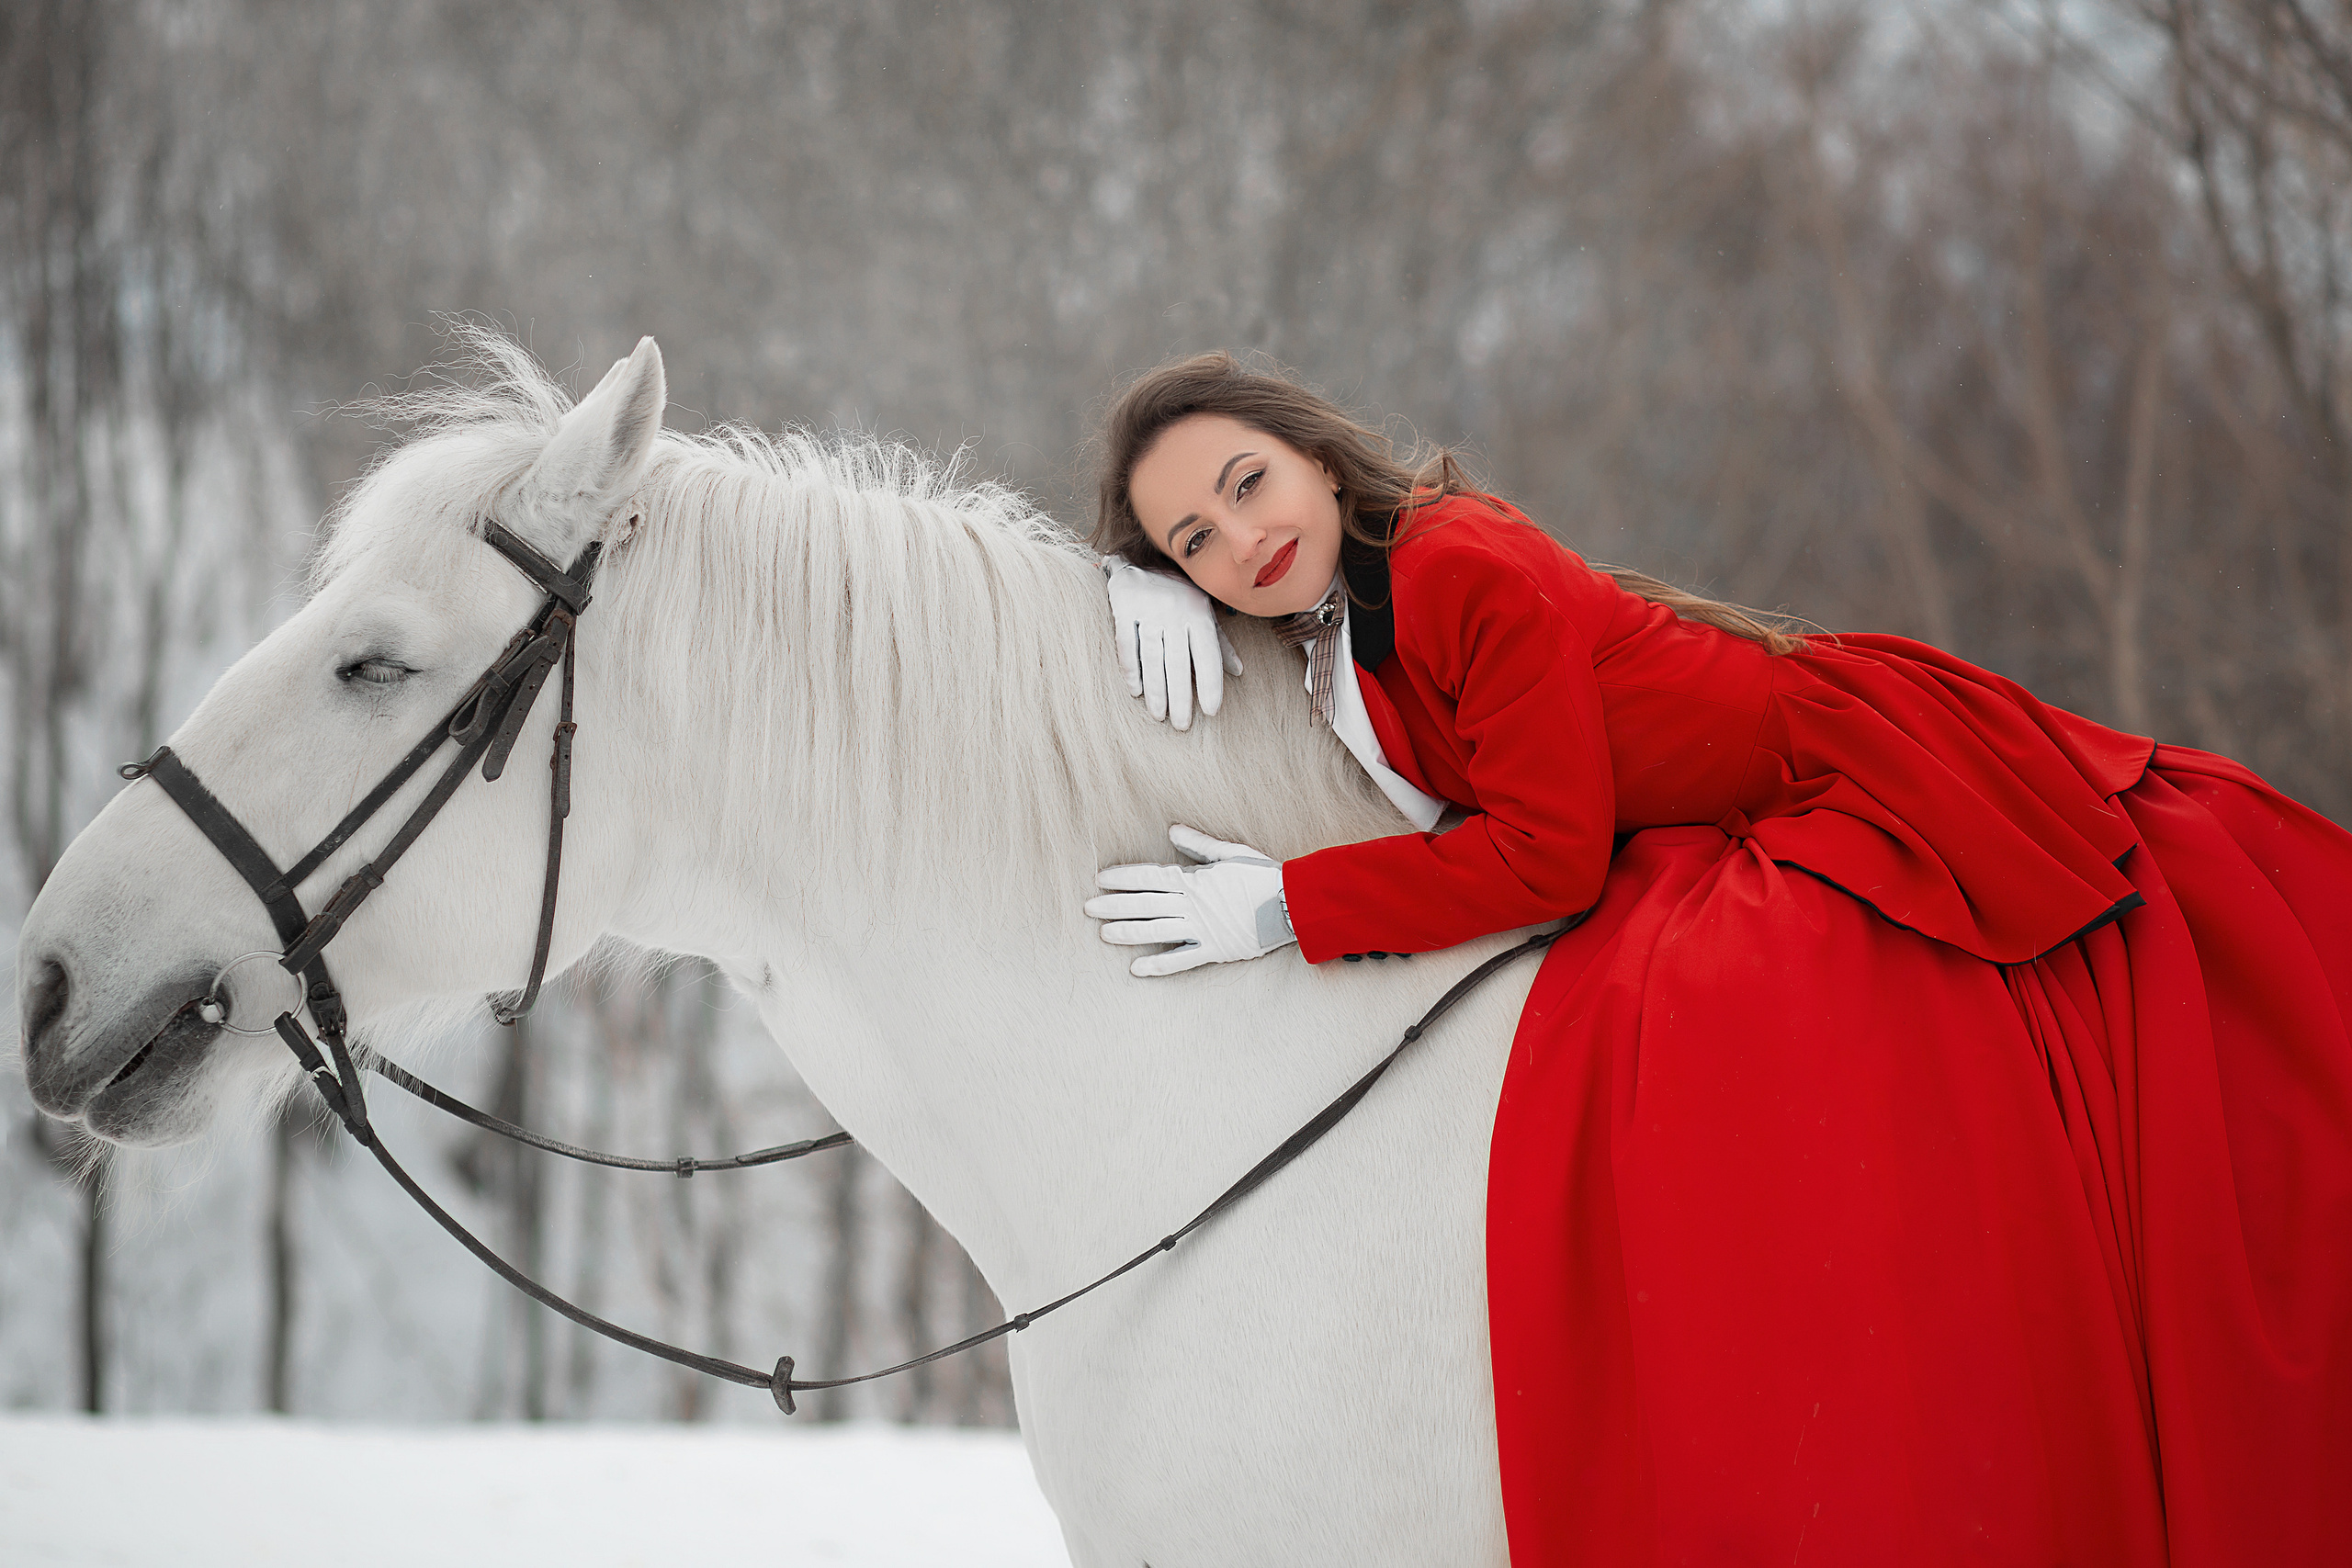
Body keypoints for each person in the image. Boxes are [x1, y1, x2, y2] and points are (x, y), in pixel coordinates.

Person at [1080, 351, 2352, 1567]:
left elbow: (1549, 862)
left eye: (1246, 485)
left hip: (1823, 788)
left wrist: (1289, 909)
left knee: (1719, 1024)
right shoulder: (1326, 600)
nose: (1241, 540)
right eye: (1196, 539)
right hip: (1697, 822)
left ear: (1311, 453)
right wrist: (1124, 585)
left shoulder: (1454, 567)